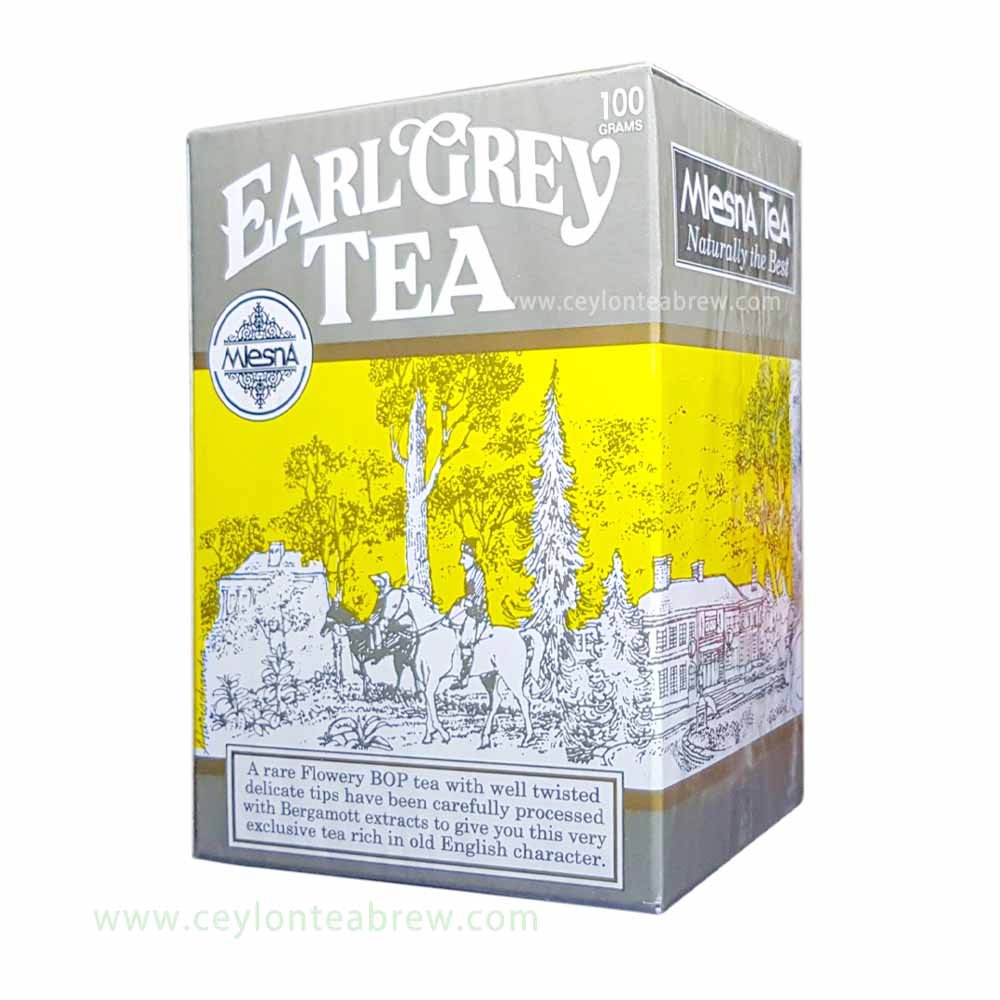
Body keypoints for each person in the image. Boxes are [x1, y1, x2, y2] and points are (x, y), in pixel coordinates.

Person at [450, 539, 489, 689]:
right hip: (469, 610)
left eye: (464, 557)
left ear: (473, 557)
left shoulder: (477, 574)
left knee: (466, 641)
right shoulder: (469, 574)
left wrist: (467, 602)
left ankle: (464, 677)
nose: (461, 561)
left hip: (476, 614)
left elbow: (477, 598)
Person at [368, 572, 417, 659]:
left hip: (398, 625)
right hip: (387, 625)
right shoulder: (381, 597)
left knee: (377, 626)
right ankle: (376, 650)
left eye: (378, 584)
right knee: (373, 626)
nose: (376, 587)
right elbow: (376, 612)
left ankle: (379, 650)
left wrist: (382, 620)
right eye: (376, 584)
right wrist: (372, 619)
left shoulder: (394, 594)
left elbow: (388, 613)